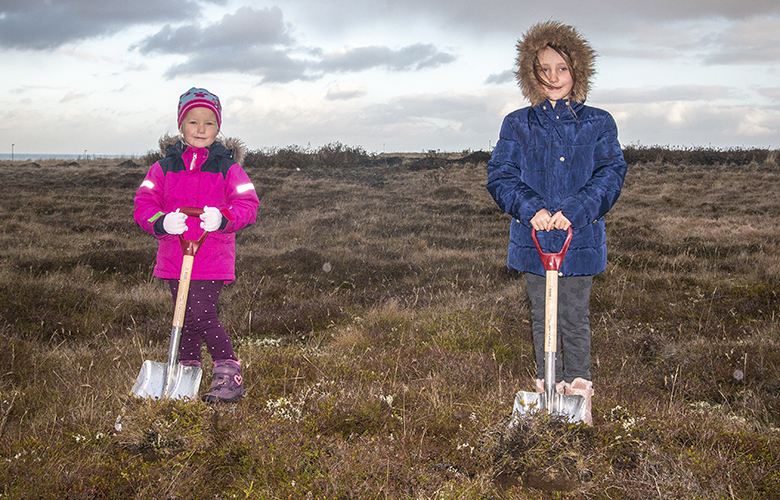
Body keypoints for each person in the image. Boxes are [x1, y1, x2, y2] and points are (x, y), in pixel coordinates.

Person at [486, 21, 627, 425]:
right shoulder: (517, 124)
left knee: (573, 316)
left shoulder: (599, 122)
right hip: (534, 240)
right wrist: (531, 208)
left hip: (578, 240)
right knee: (541, 316)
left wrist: (576, 211)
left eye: (561, 68)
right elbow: (500, 175)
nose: (553, 77)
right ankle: (550, 389)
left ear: (577, 71)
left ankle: (577, 393)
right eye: (544, 69)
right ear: (531, 74)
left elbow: (611, 174)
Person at [134, 87, 260, 403]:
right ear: (181, 126)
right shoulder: (162, 168)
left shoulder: (228, 169)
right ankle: (186, 375)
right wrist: (161, 222)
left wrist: (224, 217)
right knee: (185, 319)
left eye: (208, 123)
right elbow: (143, 204)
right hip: (175, 256)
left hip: (212, 256)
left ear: (218, 128)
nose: (200, 129)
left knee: (202, 313)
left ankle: (229, 374)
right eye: (193, 122)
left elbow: (248, 205)